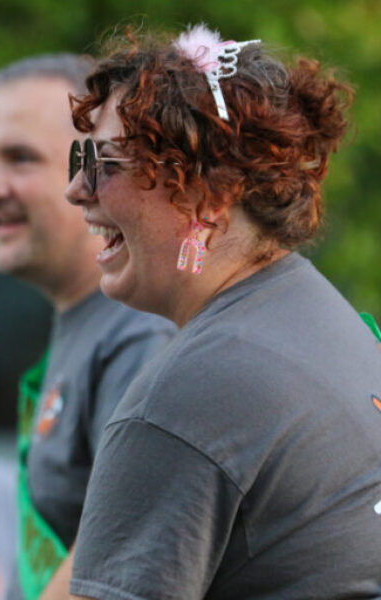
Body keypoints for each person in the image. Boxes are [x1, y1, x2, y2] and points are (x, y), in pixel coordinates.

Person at [64, 24, 381, 599]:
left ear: (206, 196)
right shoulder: (317, 316)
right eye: (78, 157)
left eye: (105, 162)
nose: (77, 190)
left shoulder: (191, 393)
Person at [0, 54, 175, 600]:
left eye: (19, 158)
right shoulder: (90, 321)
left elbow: (126, 559)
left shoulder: (141, 333)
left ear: (99, 169)